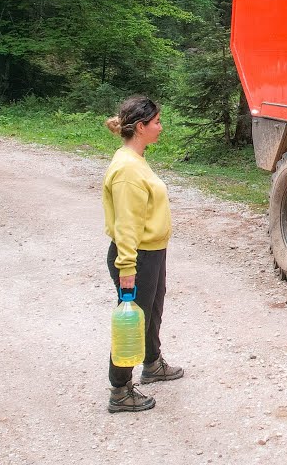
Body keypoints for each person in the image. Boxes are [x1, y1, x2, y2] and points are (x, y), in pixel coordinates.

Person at [102, 95, 183, 413]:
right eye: (157, 122)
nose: (161, 127)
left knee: (152, 311)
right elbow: (126, 224)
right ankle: (120, 390)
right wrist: (127, 268)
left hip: (152, 252)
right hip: (137, 256)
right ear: (140, 127)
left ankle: (152, 363)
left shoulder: (136, 159)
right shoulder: (127, 170)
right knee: (133, 321)